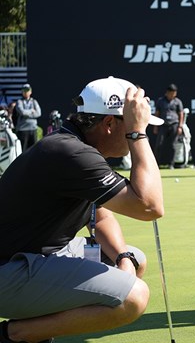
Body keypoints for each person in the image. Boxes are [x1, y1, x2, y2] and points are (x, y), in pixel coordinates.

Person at [0, 76, 165, 342]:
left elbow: (100, 217)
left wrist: (122, 256)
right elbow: (150, 207)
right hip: (9, 270)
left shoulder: (76, 147)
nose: (139, 130)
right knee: (134, 297)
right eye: (133, 124)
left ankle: (35, 321)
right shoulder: (71, 153)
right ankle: (16, 334)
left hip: (33, 257)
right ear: (109, 124)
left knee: (134, 258)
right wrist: (138, 134)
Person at [153, 83, 184, 169]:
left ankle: (171, 164)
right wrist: (155, 126)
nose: (173, 95)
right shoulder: (161, 101)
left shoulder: (178, 101)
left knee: (173, 145)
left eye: (175, 93)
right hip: (163, 125)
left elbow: (181, 114)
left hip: (174, 124)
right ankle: (156, 164)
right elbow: (157, 113)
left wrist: (180, 126)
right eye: (172, 93)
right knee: (159, 144)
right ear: (167, 92)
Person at [14, 83, 42, 152]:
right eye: (24, 90)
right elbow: (22, 112)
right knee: (23, 151)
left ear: (30, 92)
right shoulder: (19, 102)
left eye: (27, 90)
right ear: (22, 92)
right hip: (22, 130)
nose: (26, 92)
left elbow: (38, 113)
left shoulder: (34, 101)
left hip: (33, 129)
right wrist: (32, 111)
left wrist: (27, 113)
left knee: (33, 151)